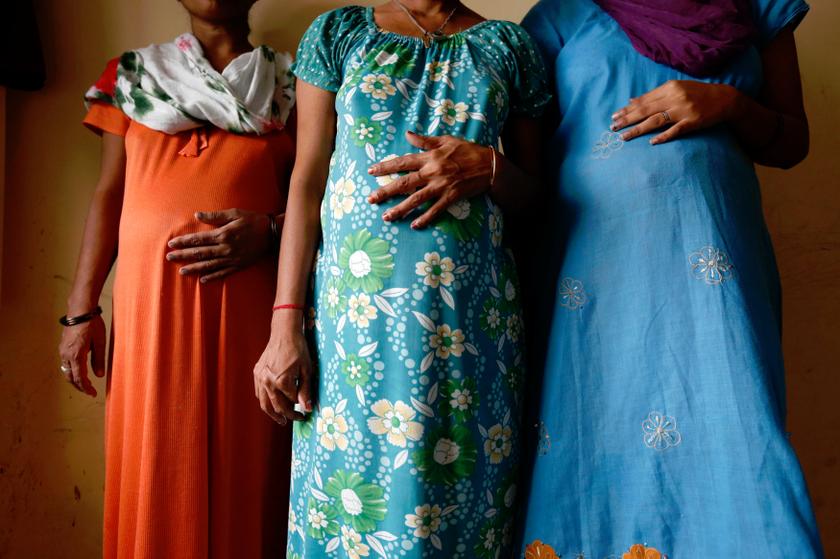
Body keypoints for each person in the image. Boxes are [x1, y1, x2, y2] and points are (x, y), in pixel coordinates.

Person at [511, 0, 824, 557]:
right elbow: (526, 174)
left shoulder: (756, 6)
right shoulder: (558, 17)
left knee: (735, 425)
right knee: (591, 432)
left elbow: (792, 143)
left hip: (718, 266)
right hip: (592, 276)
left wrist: (728, 103)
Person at [252, 1, 549, 557]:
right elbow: (306, 180)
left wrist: (489, 166)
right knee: (353, 508)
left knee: (453, 512)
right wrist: (285, 324)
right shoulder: (341, 33)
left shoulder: (509, 47)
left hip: (469, 334)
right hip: (352, 335)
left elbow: (538, 201)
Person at [57, 0, 295, 556]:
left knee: (247, 465)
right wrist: (80, 310)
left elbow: (322, 198)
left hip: (253, 316)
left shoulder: (293, 84)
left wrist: (270, 230)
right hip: (147, 316)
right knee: (154, 458)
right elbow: (109, 194)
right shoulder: (132, 75)